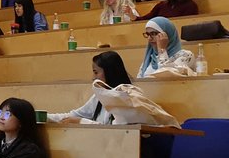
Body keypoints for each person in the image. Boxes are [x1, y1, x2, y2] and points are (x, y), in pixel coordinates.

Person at [48, 51, 178, 126]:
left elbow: (116, 131)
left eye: (96, 72)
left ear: (110, 72)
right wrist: (40, 117)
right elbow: (72, 116)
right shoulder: (99, 95)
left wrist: (81, 122)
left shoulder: (129, 96)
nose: (93, 78)